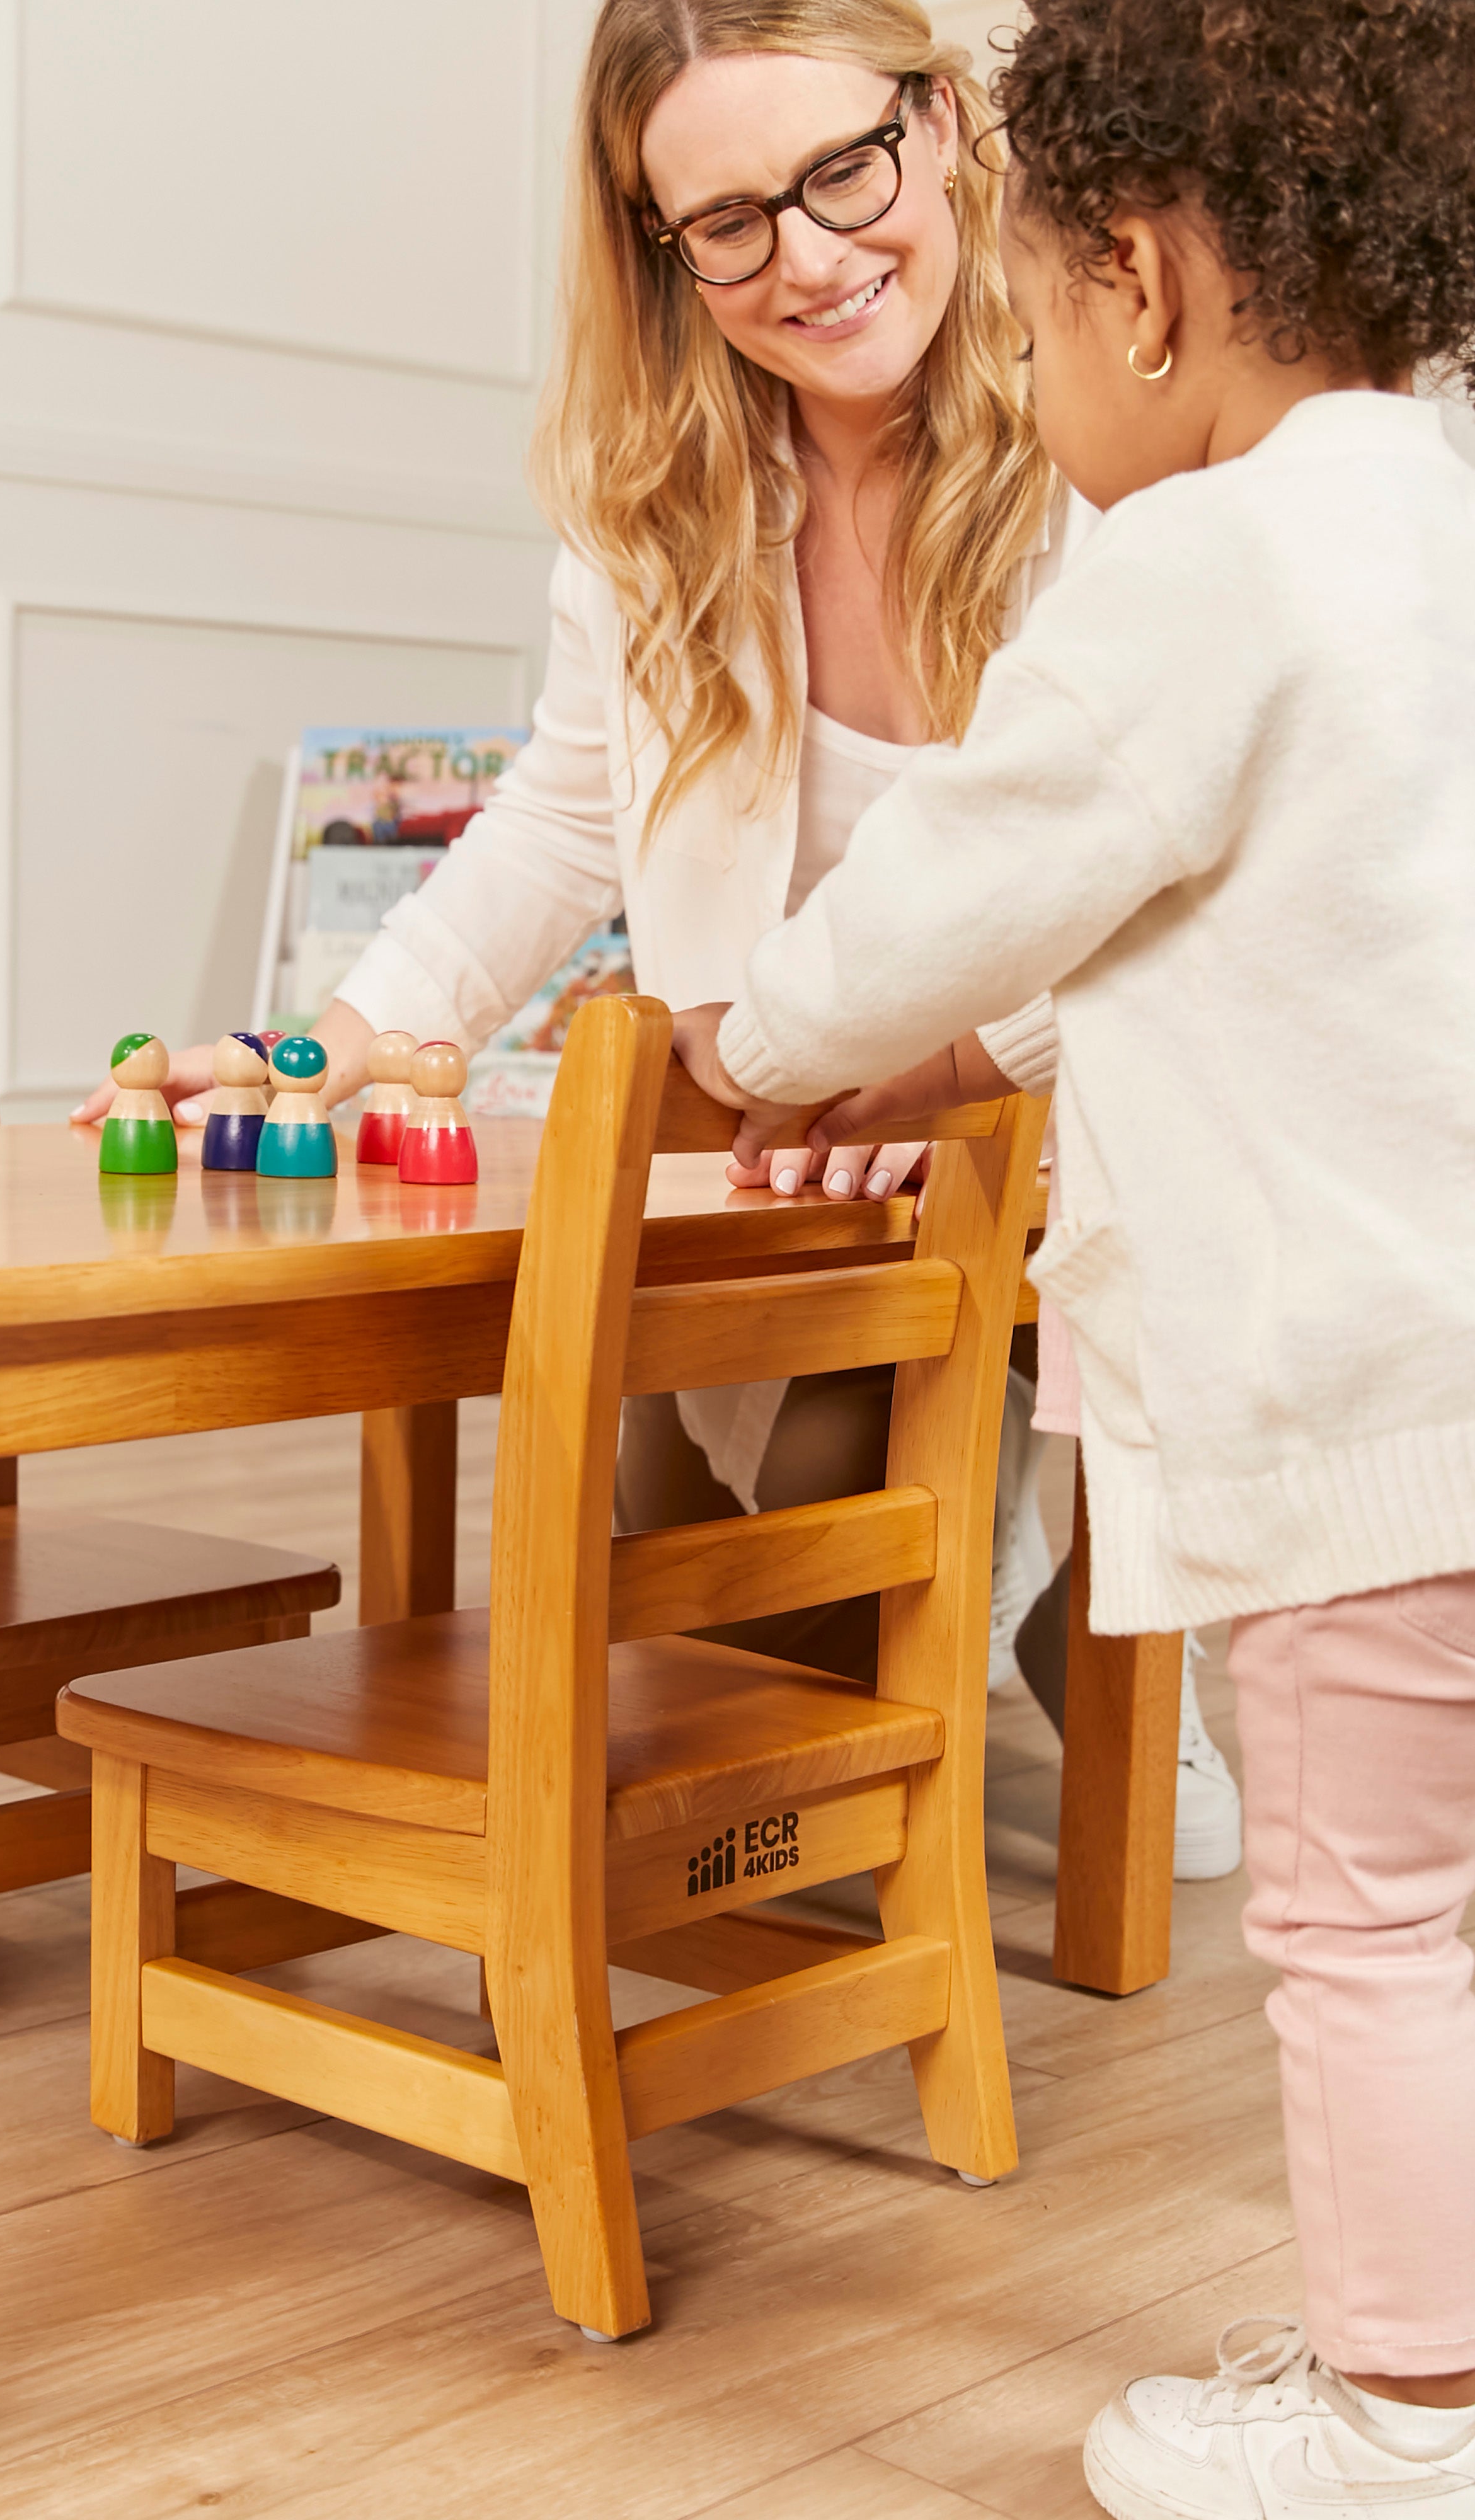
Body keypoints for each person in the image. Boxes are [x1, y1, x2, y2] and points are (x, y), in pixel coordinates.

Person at [72, 0, 1239, 1869]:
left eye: (843, 172)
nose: (810, 259)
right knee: (696, 1683)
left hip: (1047, 1114)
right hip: (776, 1138)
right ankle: (966, 1553)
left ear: (940, 126)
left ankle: (1061, 1569)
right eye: (728, 223)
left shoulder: (1116, 444)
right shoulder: (657, 504)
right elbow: (554, 820)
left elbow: (1178, 895)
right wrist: (333, 1038)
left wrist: (940, 1069)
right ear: (660, 246)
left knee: (823, 1773)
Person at [674, 0, 1475, 2500]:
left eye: (1022, 304)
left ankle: (1404, 2415)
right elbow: (1217, 924)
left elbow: (961, 881)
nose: (1025, 359)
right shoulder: (1436, 514)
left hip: (1368, 1407)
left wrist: (767, 1031)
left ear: (1134, 277)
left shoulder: (1199, 561)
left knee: (1360, 1919)